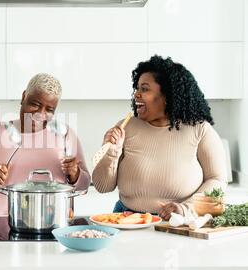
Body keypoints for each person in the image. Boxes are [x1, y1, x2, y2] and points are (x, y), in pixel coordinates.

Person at [92, 55, 228, 220]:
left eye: (145, 89)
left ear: (167, 95)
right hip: (126, 220)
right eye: (137, 88)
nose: (136, 95)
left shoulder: (200, 130)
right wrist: (111, 153)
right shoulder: (125, 127)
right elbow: (102, 187)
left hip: (177, 223)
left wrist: (186, 208)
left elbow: (218, 180)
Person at [0, 73, 91, 215]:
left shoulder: (65, 134)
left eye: (49, 110)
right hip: (1, 225)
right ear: (23, 97)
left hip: (54, 222)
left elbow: (84, 186)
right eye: (35, 104)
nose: (40, 114)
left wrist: (75, 174)